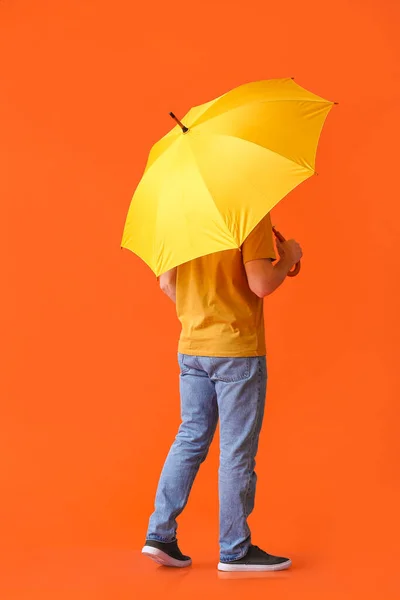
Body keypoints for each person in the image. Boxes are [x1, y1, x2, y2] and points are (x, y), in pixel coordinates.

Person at [141, 212, 303, 572]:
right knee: (236, 451)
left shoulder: (179, 217)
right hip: (235, 349)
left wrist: (202, 314)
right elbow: (261, 284)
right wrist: (288, 258)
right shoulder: (248, 214)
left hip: (192, 346)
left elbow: (167, 284)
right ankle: (234, 549)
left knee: (190, 438)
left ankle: (160, 534)